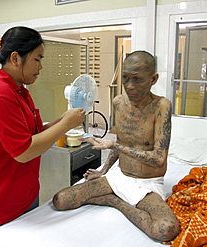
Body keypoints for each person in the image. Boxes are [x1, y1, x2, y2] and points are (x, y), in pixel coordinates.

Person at [0, 26, 85, 239]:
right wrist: (66, 125)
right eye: (37, 59)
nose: (40, 67)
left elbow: (34, 135)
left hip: (22, 196)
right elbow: (24, 151)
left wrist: (65, 119)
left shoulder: (19, 90)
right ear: (15, 58)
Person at [52, 51, 180, 242]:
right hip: (117, 177)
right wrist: (104, 170)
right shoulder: (118, 103)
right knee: (61, 200)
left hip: (146, 183)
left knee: (166, 230)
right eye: (125, 78)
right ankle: (114, 197)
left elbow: (158, 158)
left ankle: (115, 202)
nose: (129, 86)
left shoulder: (162, 106)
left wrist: (115, 145)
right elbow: (122, 140)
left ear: (153, 79)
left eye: (137, 79)